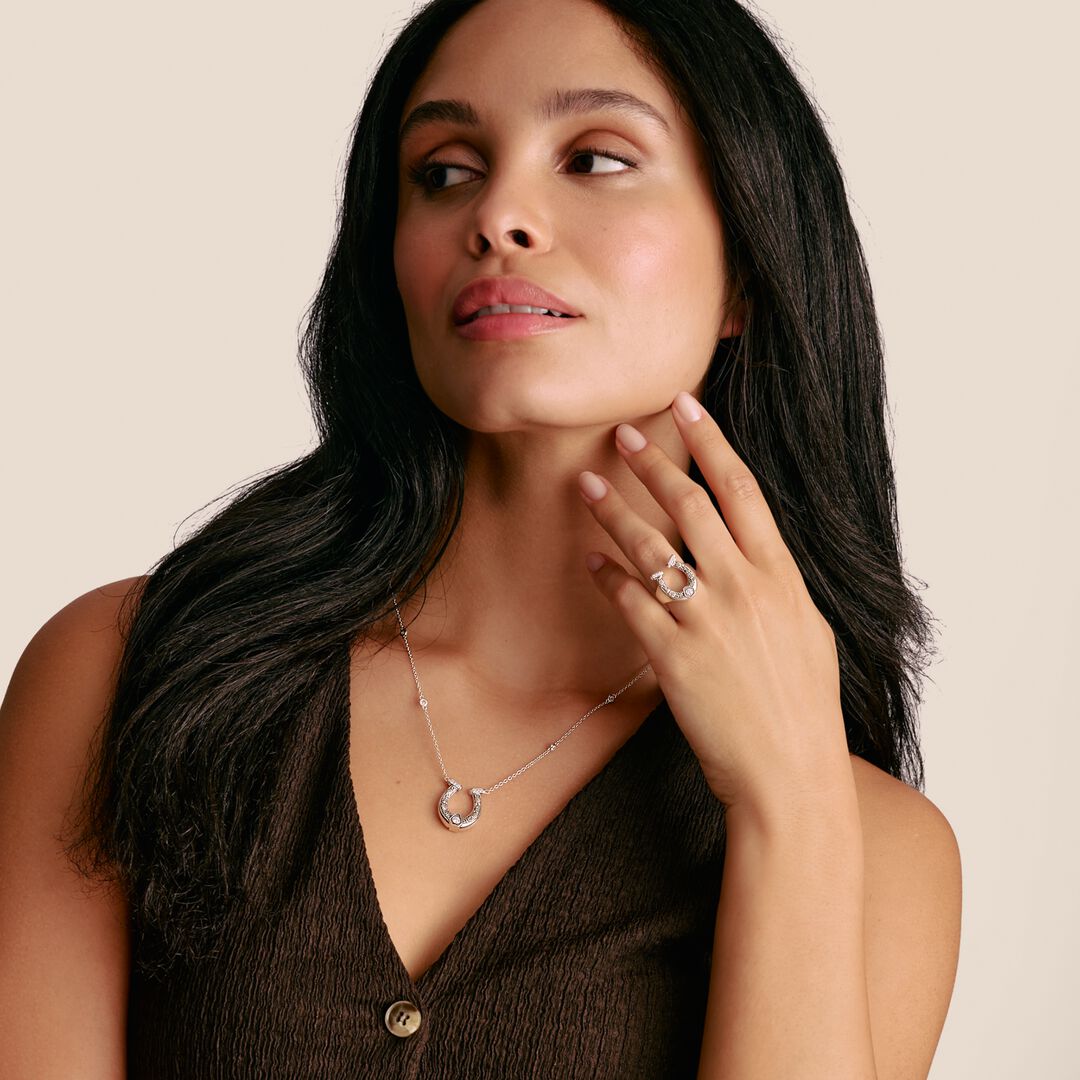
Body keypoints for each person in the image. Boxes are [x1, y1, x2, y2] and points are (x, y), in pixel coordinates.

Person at [0, 0, 962, 1075]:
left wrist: (790, 808)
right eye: (445, 170)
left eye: (594, 159)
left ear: (745, 263)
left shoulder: (880, 850)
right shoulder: (129, 675)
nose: (498, 214)